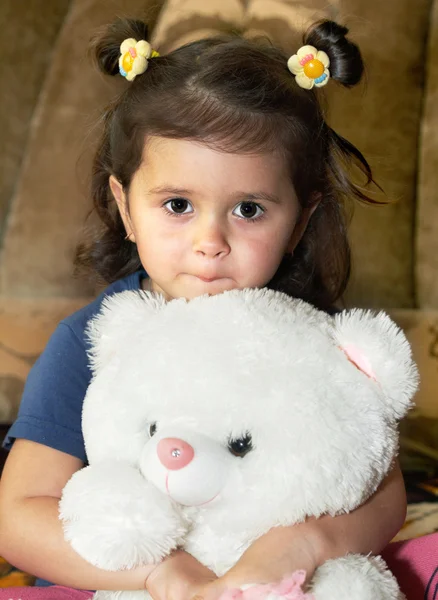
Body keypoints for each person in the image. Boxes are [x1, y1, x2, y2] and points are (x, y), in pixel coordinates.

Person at [0, 16, 407, 599]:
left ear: (300, 220)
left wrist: (306, 544)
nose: (210, 240)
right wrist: (165, 575)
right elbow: (18, 518)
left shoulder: (303, 338)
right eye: (177, 205)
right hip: (112, 583)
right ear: (125, 206)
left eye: (248, 210)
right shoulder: (92, 340)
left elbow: (383, 492)